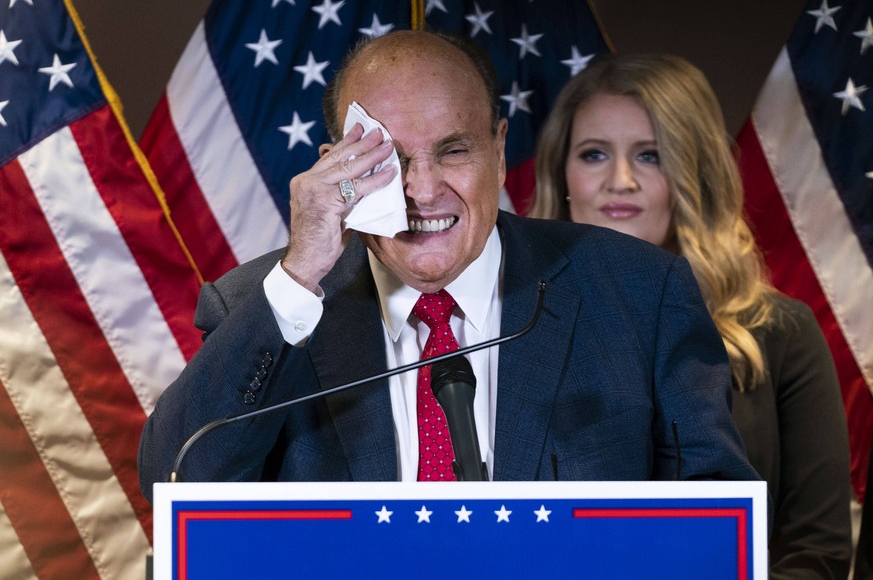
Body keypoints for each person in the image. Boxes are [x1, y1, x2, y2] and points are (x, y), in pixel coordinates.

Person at [138, 31, 759, 500]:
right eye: (388, 160)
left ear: (498, 148)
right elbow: (176, 481)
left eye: (454, 150)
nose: (423, 189)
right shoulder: (266, 304)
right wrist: (300, 276)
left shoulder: (639, 293)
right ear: (336, 169)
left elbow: (709, 517)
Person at [530, 52, 852, 579]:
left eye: (651, 156)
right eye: (593, 154)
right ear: (560, 172)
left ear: (693, 174)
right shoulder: (498, 328)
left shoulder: (782, 332)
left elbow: (819, 553)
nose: (621, 180)